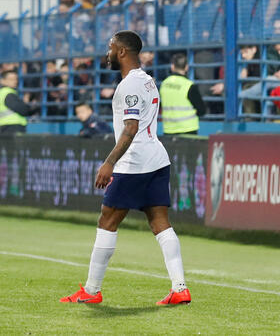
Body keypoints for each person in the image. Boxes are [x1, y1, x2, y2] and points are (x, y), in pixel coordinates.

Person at [60, 31, 190, 306]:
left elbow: (131, 128)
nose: (107, 53)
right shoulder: (148, 80)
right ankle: (180, 288)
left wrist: (110, 162)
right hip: (157, 158)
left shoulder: (130, 85)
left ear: (122, 52)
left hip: (135, 163)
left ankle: (92, 291)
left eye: (110, 48)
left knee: (107, 220)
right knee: (160, 223)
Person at [159, 53, 204, 135]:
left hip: (169, 130)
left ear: (172, 66)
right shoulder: (189, 85)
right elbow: (202, 111)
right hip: (188, 129)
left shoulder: (164, 84)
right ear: (186, 67)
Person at [0, 69, 34, 135]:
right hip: (12, 127)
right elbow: (23, 110)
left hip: (4, 127)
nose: (15, 81)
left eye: (16, 79)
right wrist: (29, 105)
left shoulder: (2, 93)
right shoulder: (8, 93)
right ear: (2, 80)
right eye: (11, 79)